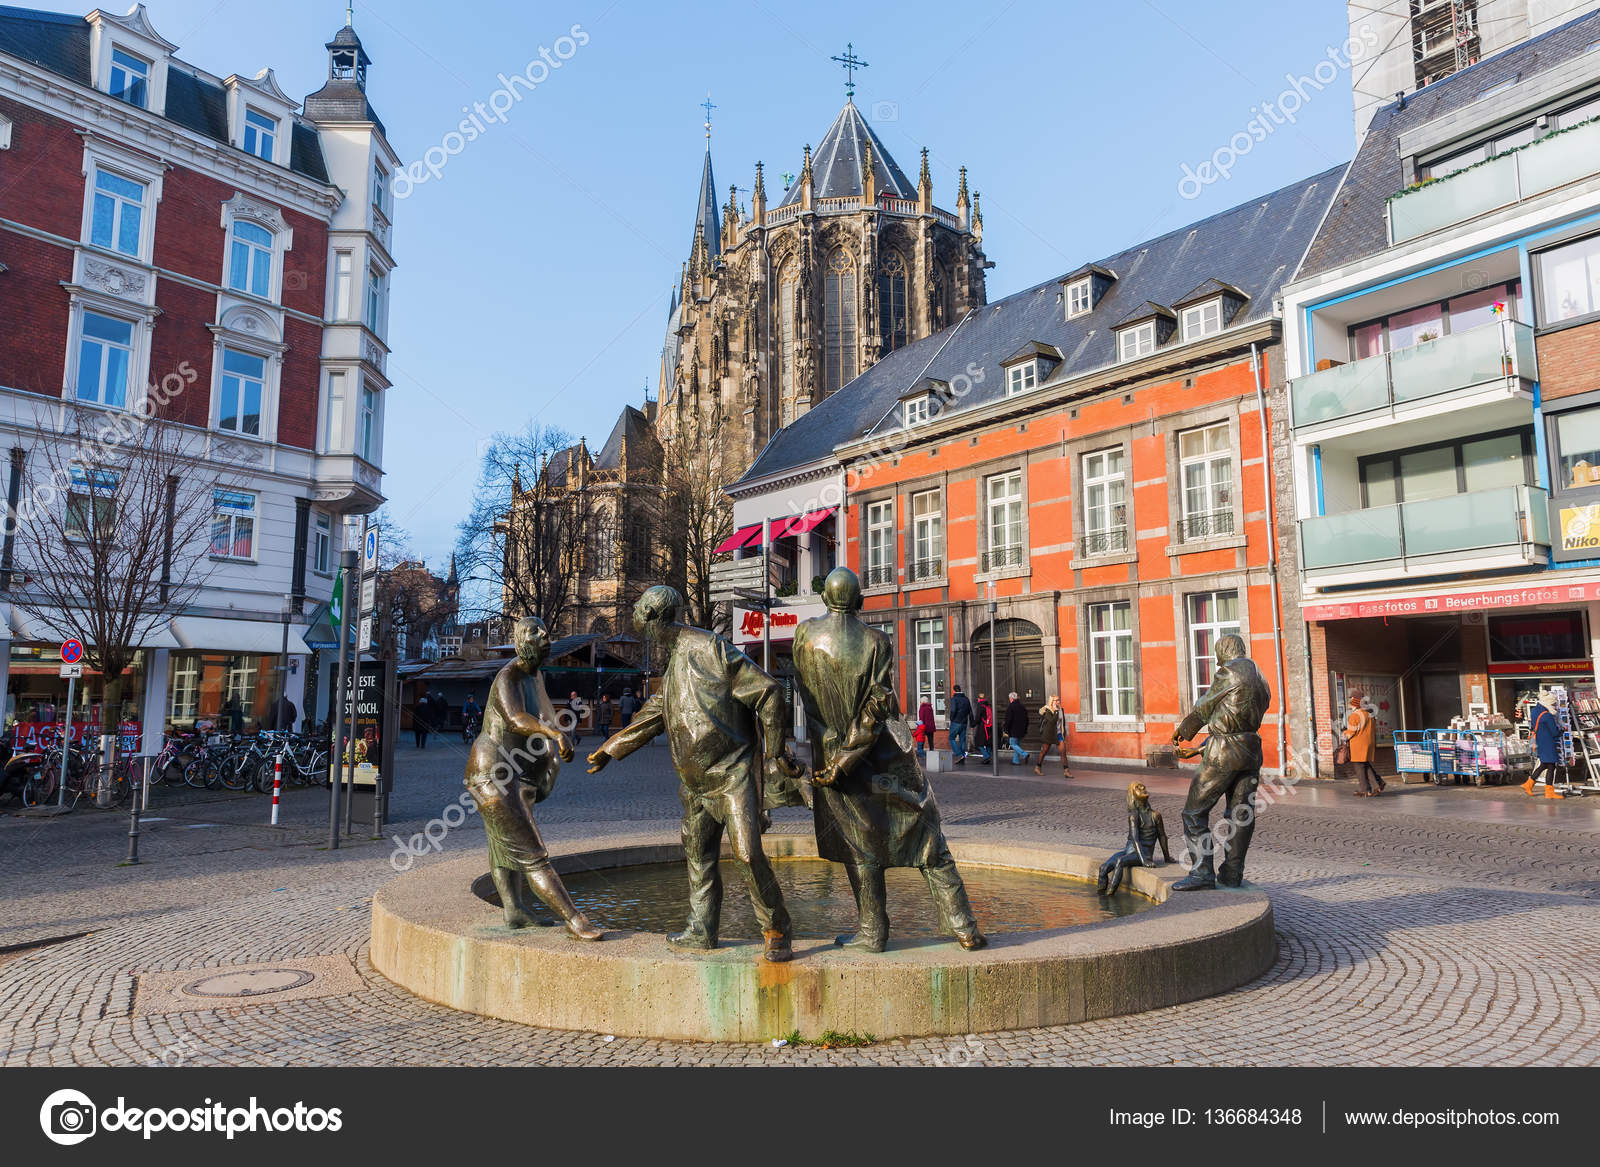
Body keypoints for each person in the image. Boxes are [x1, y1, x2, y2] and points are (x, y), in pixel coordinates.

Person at [587, 586, 799, 962]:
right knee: (699, 857)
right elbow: (653, 714)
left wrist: (775, 753)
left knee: (748, 855)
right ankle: (702, 929)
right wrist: (611, 748)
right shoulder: (672, 664)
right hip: (695, 784)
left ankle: (776, 928)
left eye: (638, 611)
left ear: (653, 617)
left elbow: (768, 692)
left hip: (731, 776)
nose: (634, 617)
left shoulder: (710, 648)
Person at [792, 568, 986, 952]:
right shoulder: (876, 641)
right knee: (927, 834)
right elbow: (878, 704)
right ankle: (963, 926)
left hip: (829, 758)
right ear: (860, 601)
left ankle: (873, 930)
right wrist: (849, 755)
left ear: (825, 599)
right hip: (877, 758)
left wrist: (834, 755)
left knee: (857, 847)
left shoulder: (804, 635)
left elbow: (805, 693)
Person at [464, 616, 603, 940]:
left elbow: (546, 717)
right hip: (492, 771)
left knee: (503, 844)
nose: (544, 635)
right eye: (534, 632)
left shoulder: (535, 676)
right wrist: (555, 734)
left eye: (545, 631)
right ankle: (575, 919)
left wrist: (553, 756)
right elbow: (516, 719)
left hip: (517, 772)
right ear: (519, 641)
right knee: (532, 851)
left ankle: (514, 910)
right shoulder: (508, 676)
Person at [1170, 634, 1272, 890]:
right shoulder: (1259, 674)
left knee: (1193, 812)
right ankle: (1232, 874)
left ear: (1225, 651)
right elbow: (1235, 715)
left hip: (1223, 753)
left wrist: (1184, 730)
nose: (1217, 662)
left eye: (1217, 655)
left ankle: (1202, 873)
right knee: (1241, 814)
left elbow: (1205, 707)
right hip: (1251, 751)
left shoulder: (1230, 671)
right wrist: (1201, 747)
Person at [1523, 694, 1566, 800]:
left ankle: (1529, 784)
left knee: (1545, 765)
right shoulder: (1547, 716)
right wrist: (1562, 730)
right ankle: (1548, 791)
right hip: (1548, 743)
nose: (1555, 706)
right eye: (1553, 704)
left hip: (1540, 741)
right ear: (1548, 704)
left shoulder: (1534, 711)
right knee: (1551, 766)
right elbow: (1555, 733)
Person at [1340, 694, 1384, 796]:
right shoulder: (1369, 714)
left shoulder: (1355, 715)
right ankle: (1377, 785)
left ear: (1356, 703)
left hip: (1358, 744)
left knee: (1359, 767)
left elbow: (1351, 732)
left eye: (1351, 701)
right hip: (1368, 743)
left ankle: (1365, 789)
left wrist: (1344, 734)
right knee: (1365, 765)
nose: (1349, 704)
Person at [1035, 694, 1070, 777]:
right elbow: (1052, 721)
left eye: (1059, 700)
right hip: (1049, 734)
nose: (1058, 702)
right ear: (1052, 701)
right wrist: (1055, 711)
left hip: (1058, 733)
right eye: (1056, 700)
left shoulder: (1061, 710)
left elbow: (1062, 723)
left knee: (1063, 751)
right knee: (1044, 751)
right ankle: (1037, 767)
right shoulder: (1047, 710)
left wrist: (1063, 733)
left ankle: (1066, 771)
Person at [948, 685, 972, 766]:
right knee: (962, 740)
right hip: (964, 722)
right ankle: (962, 756)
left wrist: (951, 718)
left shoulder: (954, 699)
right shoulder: (966, 699)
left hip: (956, 721)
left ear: (954, 690)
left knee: (951, 738)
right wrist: (972, 722)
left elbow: (953, 710)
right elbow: (970, 711)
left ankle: (959, 755)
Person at [1004, 692, 1029, 766]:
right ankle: (1016, 761)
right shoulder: (1022, 707)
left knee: (1012, 744)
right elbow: (1027, 719)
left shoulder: (1011, 707)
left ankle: (1025, 754)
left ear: (1011, 698)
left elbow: (1008, 720)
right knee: (1017, 745)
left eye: (1009, 698)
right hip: (1021, 729)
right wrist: (1025, 728)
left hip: (1013, 729)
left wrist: (1005, 728)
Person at [974, 693, 993, 762]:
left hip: (982, 726)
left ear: (978, 699)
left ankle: (986, 756)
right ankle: (988, 756)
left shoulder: (980, 705)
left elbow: (977, 717)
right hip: (990, 726)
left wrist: (973, 724)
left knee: (979, 743)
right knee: (988, 743)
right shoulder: (988, 704)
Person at [916, 698, 935, 764]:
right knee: (930, 740)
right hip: (930, 726)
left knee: (921, 740)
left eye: (920, 701)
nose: (920, 703)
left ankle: (920, 753)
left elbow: (921, 718)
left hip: (924, 726)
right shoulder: (930, 707)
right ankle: (932, 752)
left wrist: (920, 726)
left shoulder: (922, 708)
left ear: (923, 702)